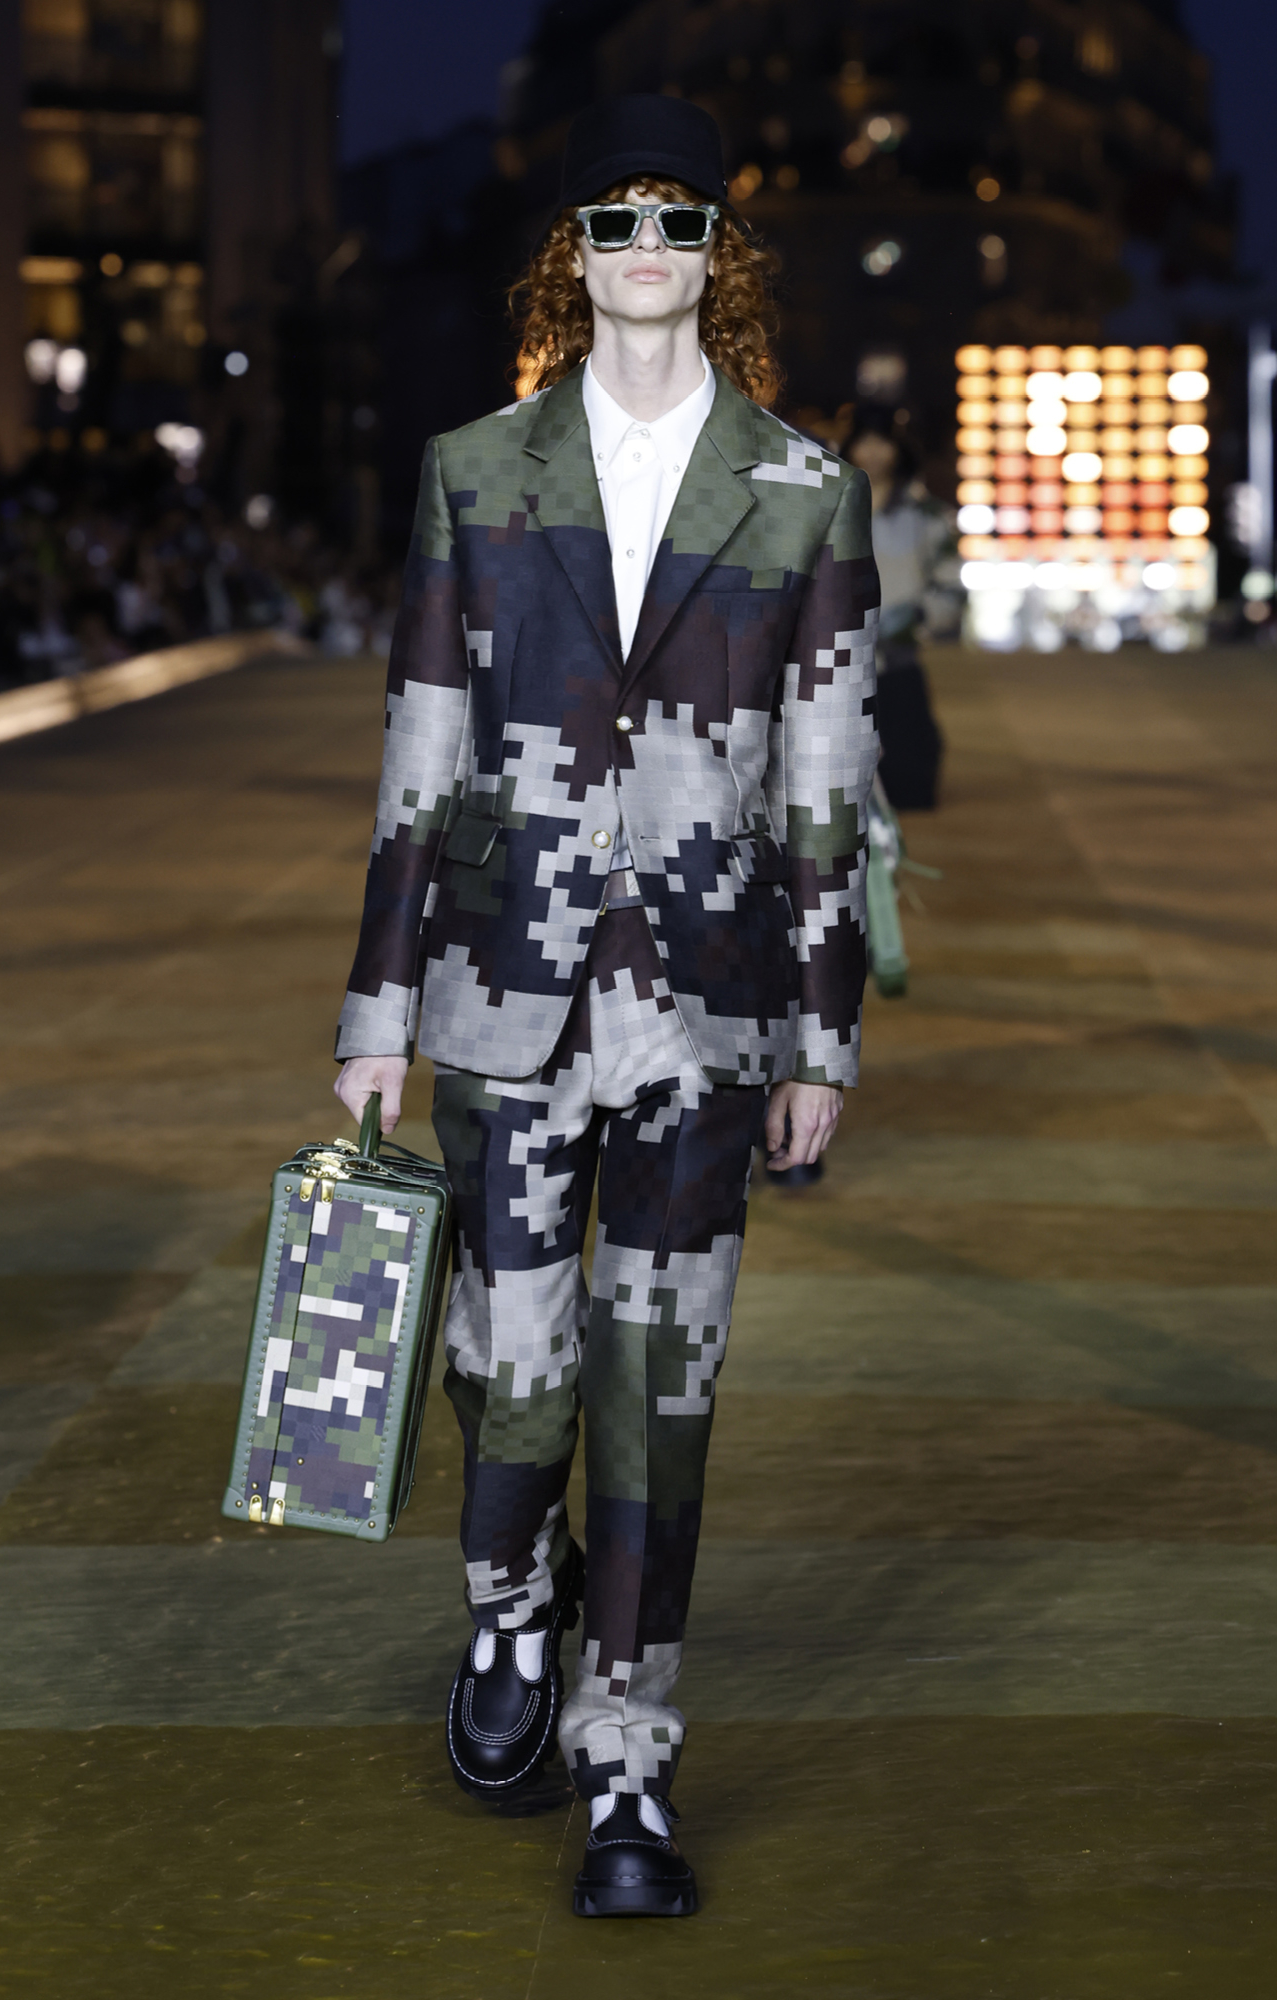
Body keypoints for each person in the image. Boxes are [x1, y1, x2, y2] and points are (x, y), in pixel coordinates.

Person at [333, 94, 877, 1919]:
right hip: (502, 989)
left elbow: (828, 778)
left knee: (660, 1391)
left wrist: (824, 1033)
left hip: (708, 1011)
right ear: (573, 249)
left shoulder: (803, 488)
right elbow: (420, 740)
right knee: (512, 1372)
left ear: (721, 250)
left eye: (679, 216)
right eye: (616, 217)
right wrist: (376, 1003)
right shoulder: (476, 469)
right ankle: (509, 1605)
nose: (648, 245)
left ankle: (627, 1759)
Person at [845, 406, 948, 811]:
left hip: (898, 657)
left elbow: (951, 581)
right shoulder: (831, 507)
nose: (872, 453)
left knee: (910, 776)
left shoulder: (925, 515)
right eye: (864, 442)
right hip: (838, 660)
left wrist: (918, 620)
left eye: (882, 442)